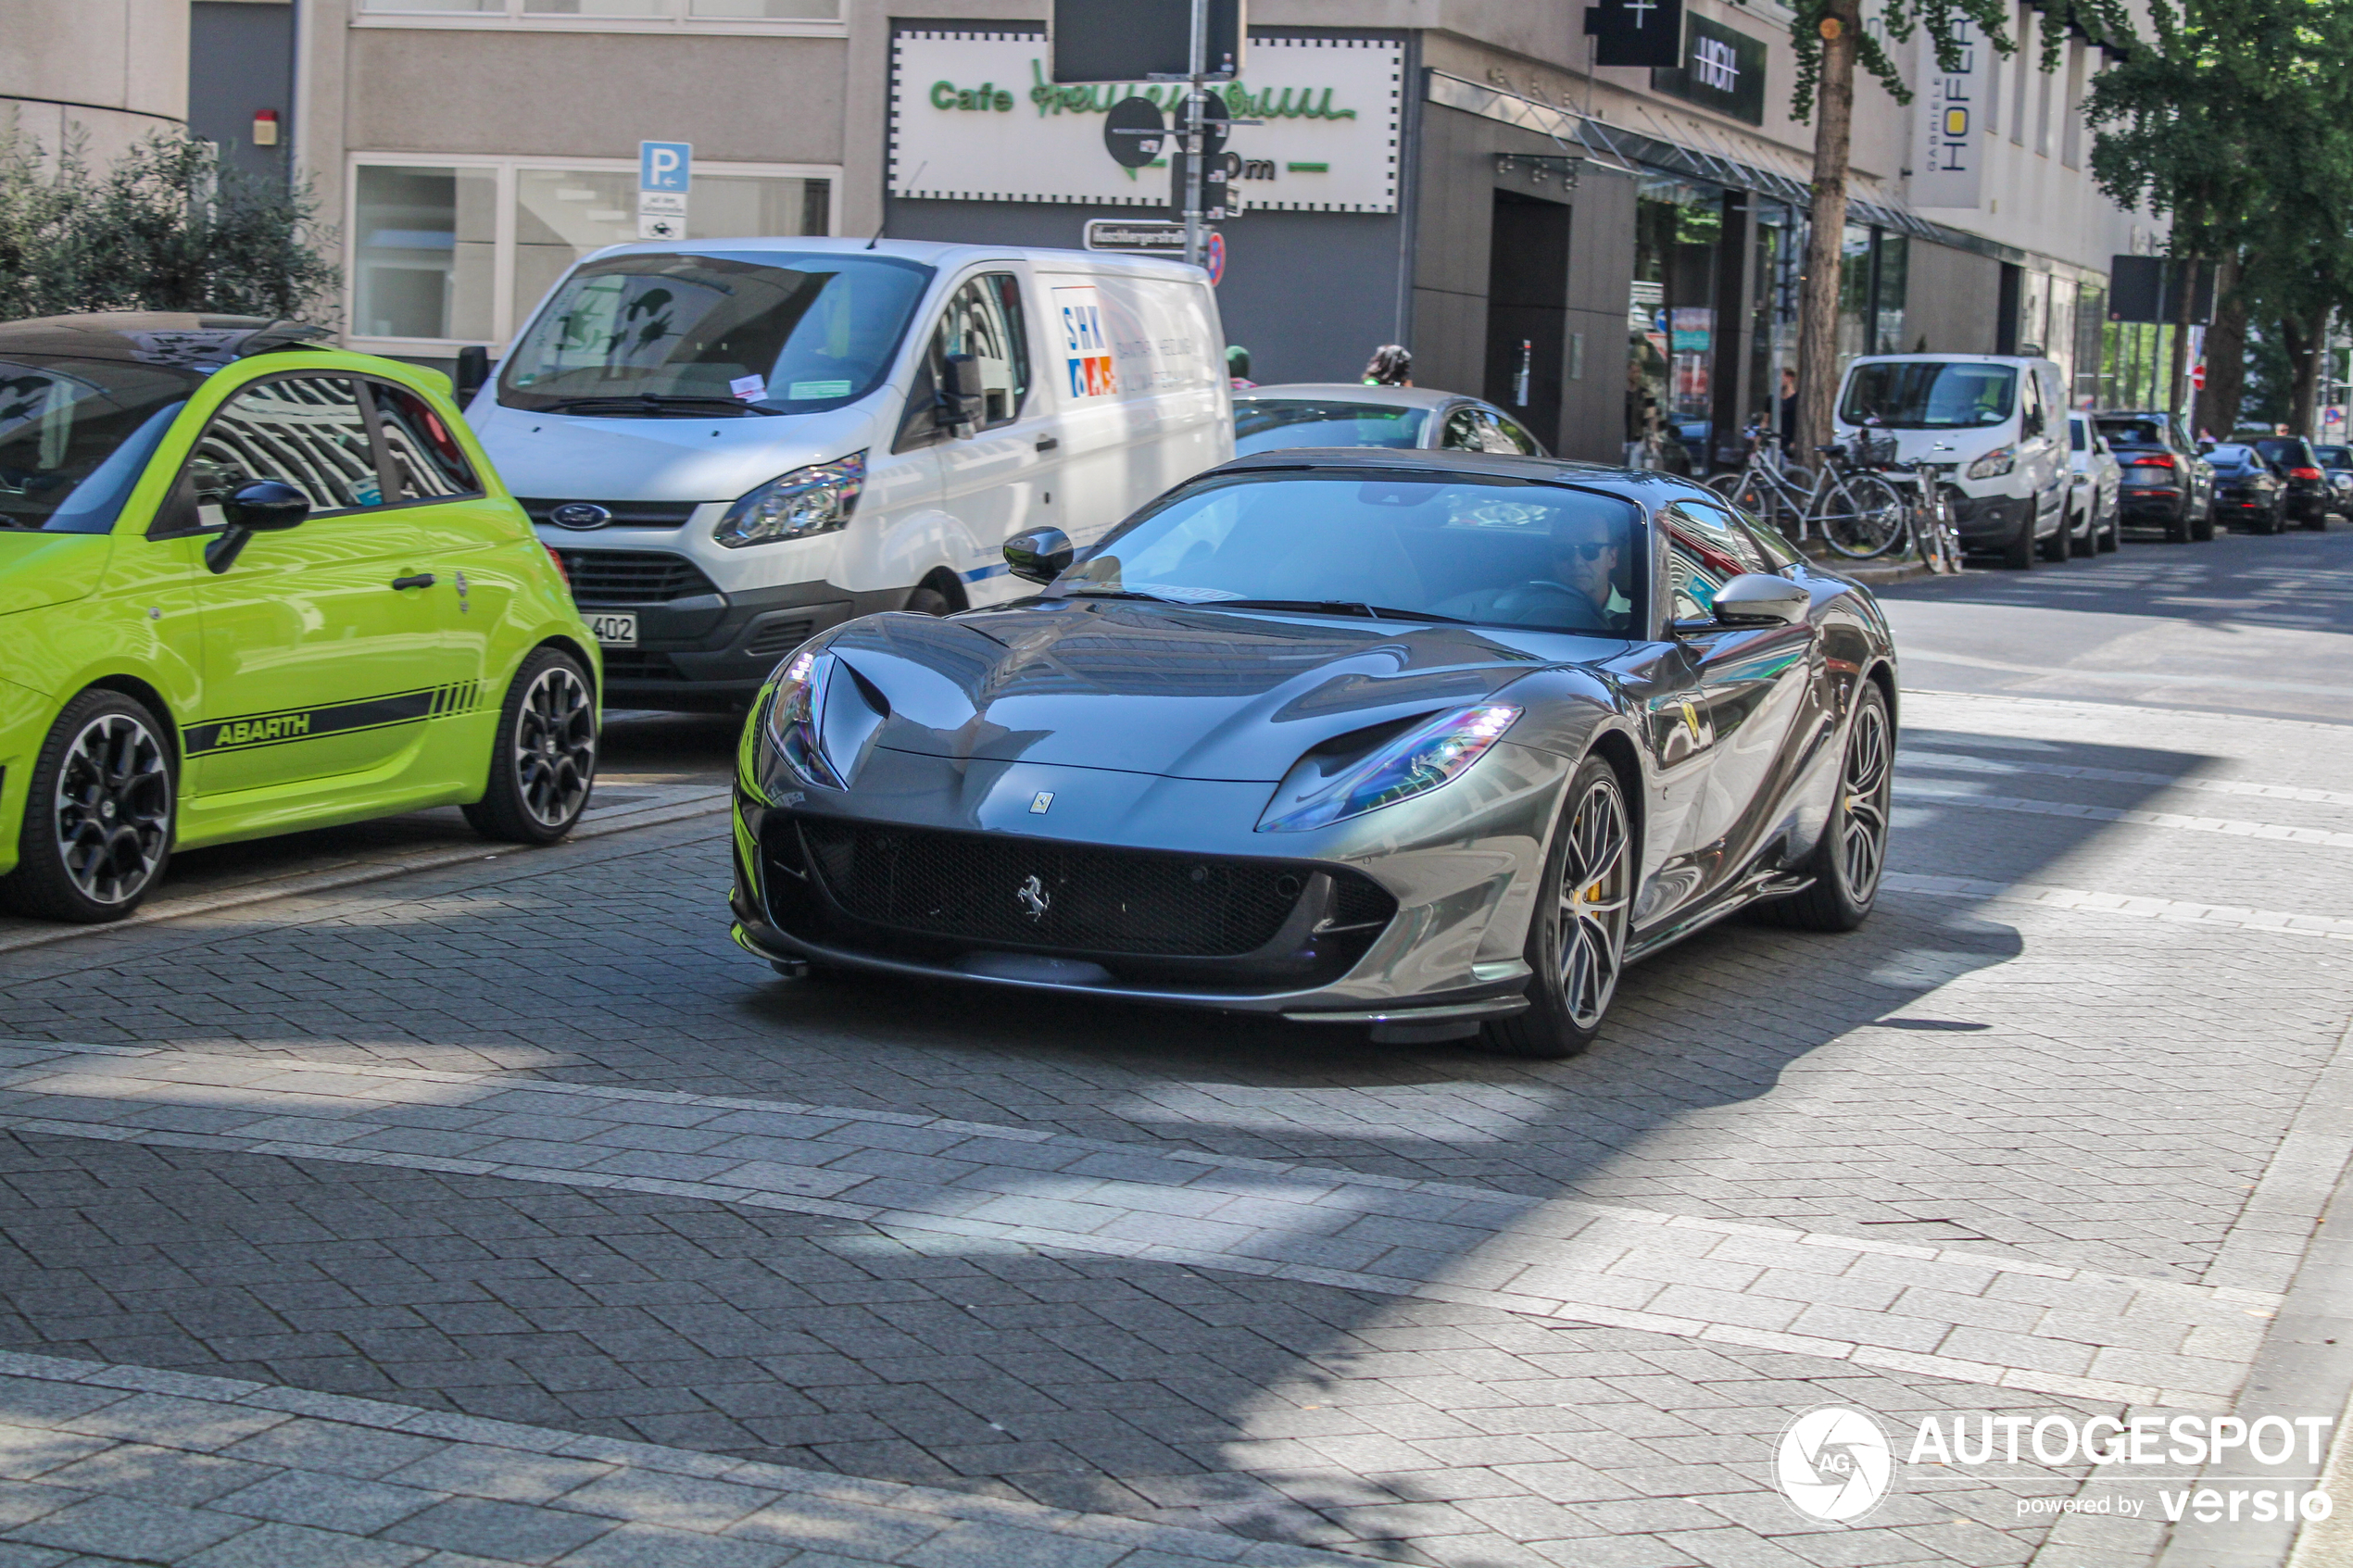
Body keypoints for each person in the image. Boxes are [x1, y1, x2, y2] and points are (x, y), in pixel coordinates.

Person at [1778, 367, 1798, 452]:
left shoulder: (1797, 399)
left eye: (1782, 376)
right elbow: (1765, 420)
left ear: (1790, 378)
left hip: (1790, 443)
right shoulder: (1773, 399)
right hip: (1776, 442)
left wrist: (1795, 441)